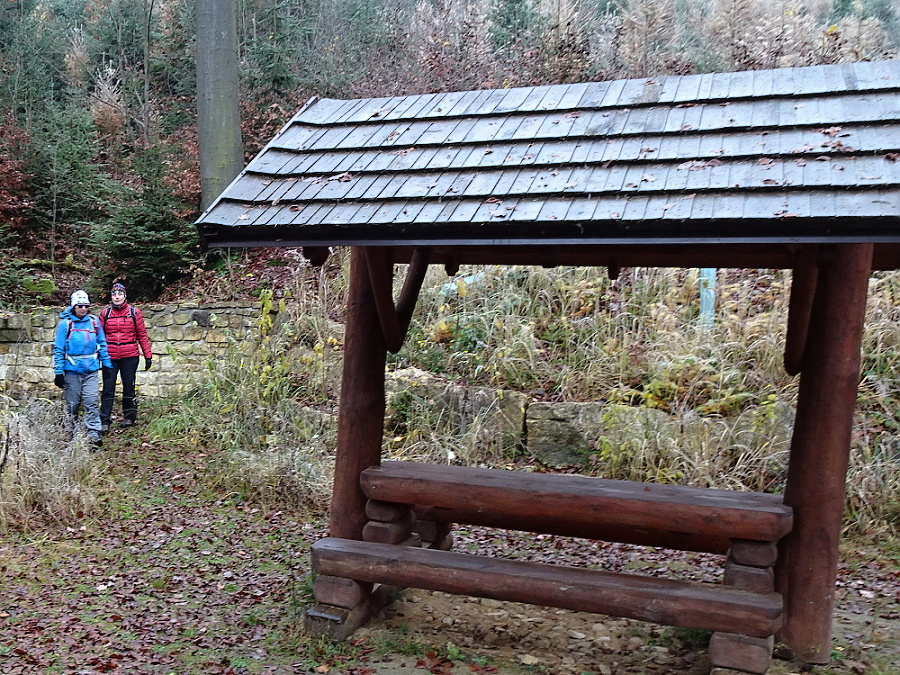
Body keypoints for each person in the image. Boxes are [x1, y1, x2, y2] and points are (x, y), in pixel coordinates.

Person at [53, 290, 112, 448]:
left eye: (86, 306)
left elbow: (102, 344)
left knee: (92, 401)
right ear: (73, 306)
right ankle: (70, 431)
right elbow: (58, 349)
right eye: (80, 306)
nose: (83, 309)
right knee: (72, 404)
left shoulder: (94, 322)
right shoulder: (65, 325)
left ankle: (93, 433)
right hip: (72, 371)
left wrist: (107, 364)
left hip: (91, 370)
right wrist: (58, 372)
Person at [99, 282, 153, 431]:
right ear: (111, 297)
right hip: (110, 356)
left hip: (130, 355)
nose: (117, 297)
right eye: (114, 294)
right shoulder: (105, 313)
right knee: (108, 388)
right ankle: (104, 420)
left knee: (129, 387)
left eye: (120, 294)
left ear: (125, 296)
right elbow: (100, 336)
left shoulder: (134, 312)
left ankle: (129, 417)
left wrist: (148, 355)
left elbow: (142, 335)